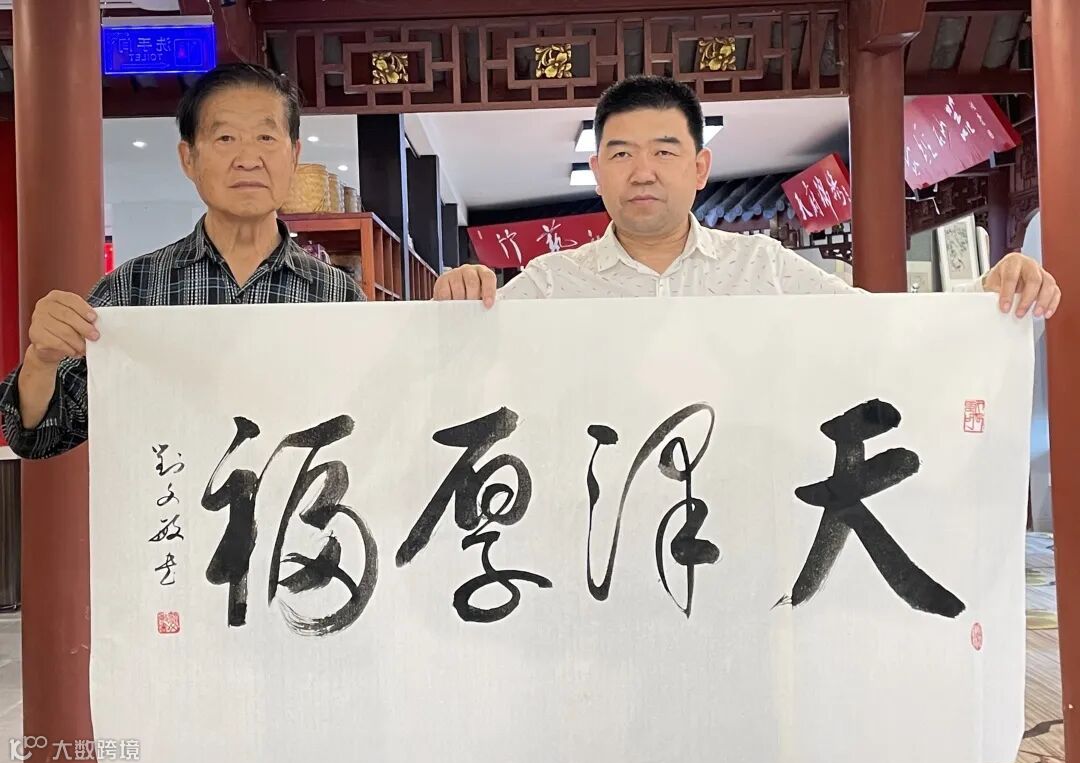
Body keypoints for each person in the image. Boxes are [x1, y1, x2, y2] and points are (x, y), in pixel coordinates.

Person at [434, 75, 1060, 318]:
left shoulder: (765, 270)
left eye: (665, 151)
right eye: (621, 155)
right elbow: (467, 371)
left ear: (700, 167)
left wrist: (987, 303)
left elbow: (875, 332)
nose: (642, 172)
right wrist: (456, 307)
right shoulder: (548, 286)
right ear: (598, 173)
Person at [0, 63, 364, 460]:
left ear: (293, 155)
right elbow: (38, 436)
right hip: (170, 497)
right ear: (188, 158)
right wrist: (42, 358)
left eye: (265, 136)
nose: (248, 158)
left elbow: (372, 428)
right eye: (225, 137)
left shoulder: (338, 296)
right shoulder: (134, 288)